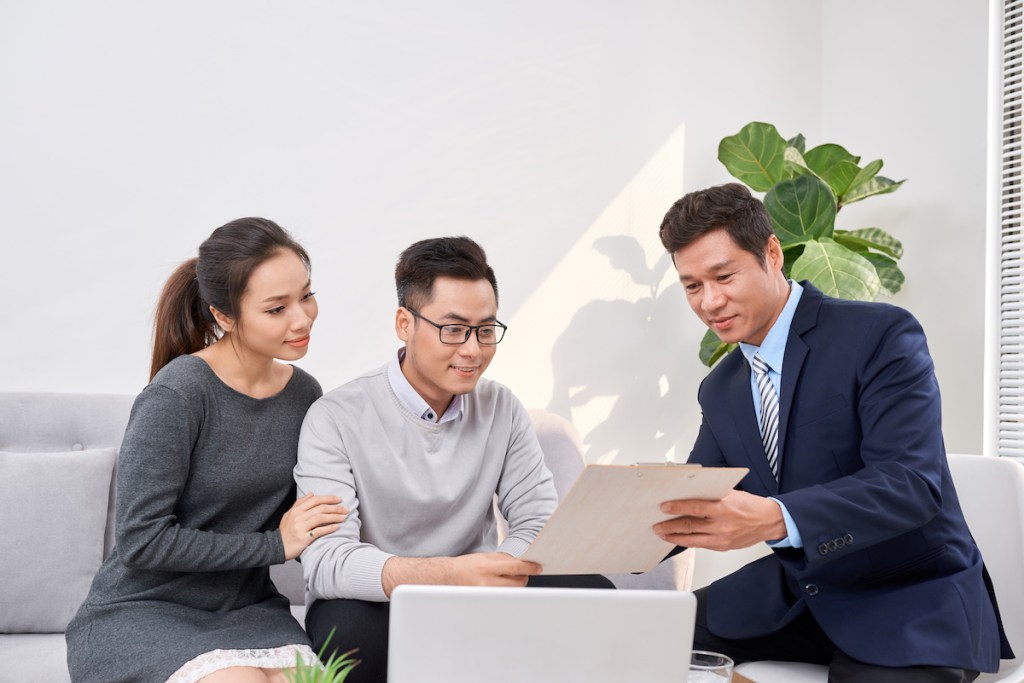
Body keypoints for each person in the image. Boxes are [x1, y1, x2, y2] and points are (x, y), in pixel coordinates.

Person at [653, 183, 1013, 682]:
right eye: (692, 286)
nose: (710, 302)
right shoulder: (721, 386)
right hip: (801, 592)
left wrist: (777, 519)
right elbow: (698, 491)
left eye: (724, 276)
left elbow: (912, 484)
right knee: (648, 632)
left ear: (772, 253)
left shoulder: (877, 335)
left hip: (909, 597)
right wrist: (577, 545)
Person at [294, 236, 612, 681]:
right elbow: (327, 561)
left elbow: (539, 522)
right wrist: (447, 576)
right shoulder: (335, 417)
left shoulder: (501, 407)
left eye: (485, 330)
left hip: (483, 591)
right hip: (379, 599)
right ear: (404, 323)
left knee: (596, 594)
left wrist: (497, 573)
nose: (473, 350)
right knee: (346, 631)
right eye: (454, 329)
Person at [66, 218, 348, 683]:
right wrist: (274, 545)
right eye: (276, 309)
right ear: (224, 316)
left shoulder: (304, 395)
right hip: (143, 611)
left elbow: (312, 510)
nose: (302, 318)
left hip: (248, 609)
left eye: (307, 295)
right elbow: (142, 540)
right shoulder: (178, 394)